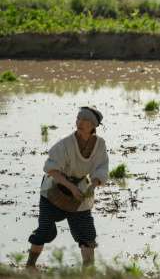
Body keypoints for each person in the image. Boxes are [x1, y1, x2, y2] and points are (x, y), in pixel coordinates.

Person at [26, 107, 108, 269]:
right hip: (54, 190)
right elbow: (51, 168)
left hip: (80, 193)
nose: (80, 123)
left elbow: (101, 168)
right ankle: (29, 266)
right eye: (78, 119)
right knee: (44, 230)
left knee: (86, 234)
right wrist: (70, 186)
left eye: (85, 120)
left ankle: (88, 271)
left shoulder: (100, 144)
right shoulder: (65, 143)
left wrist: (94, 184)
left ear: (93, 125)